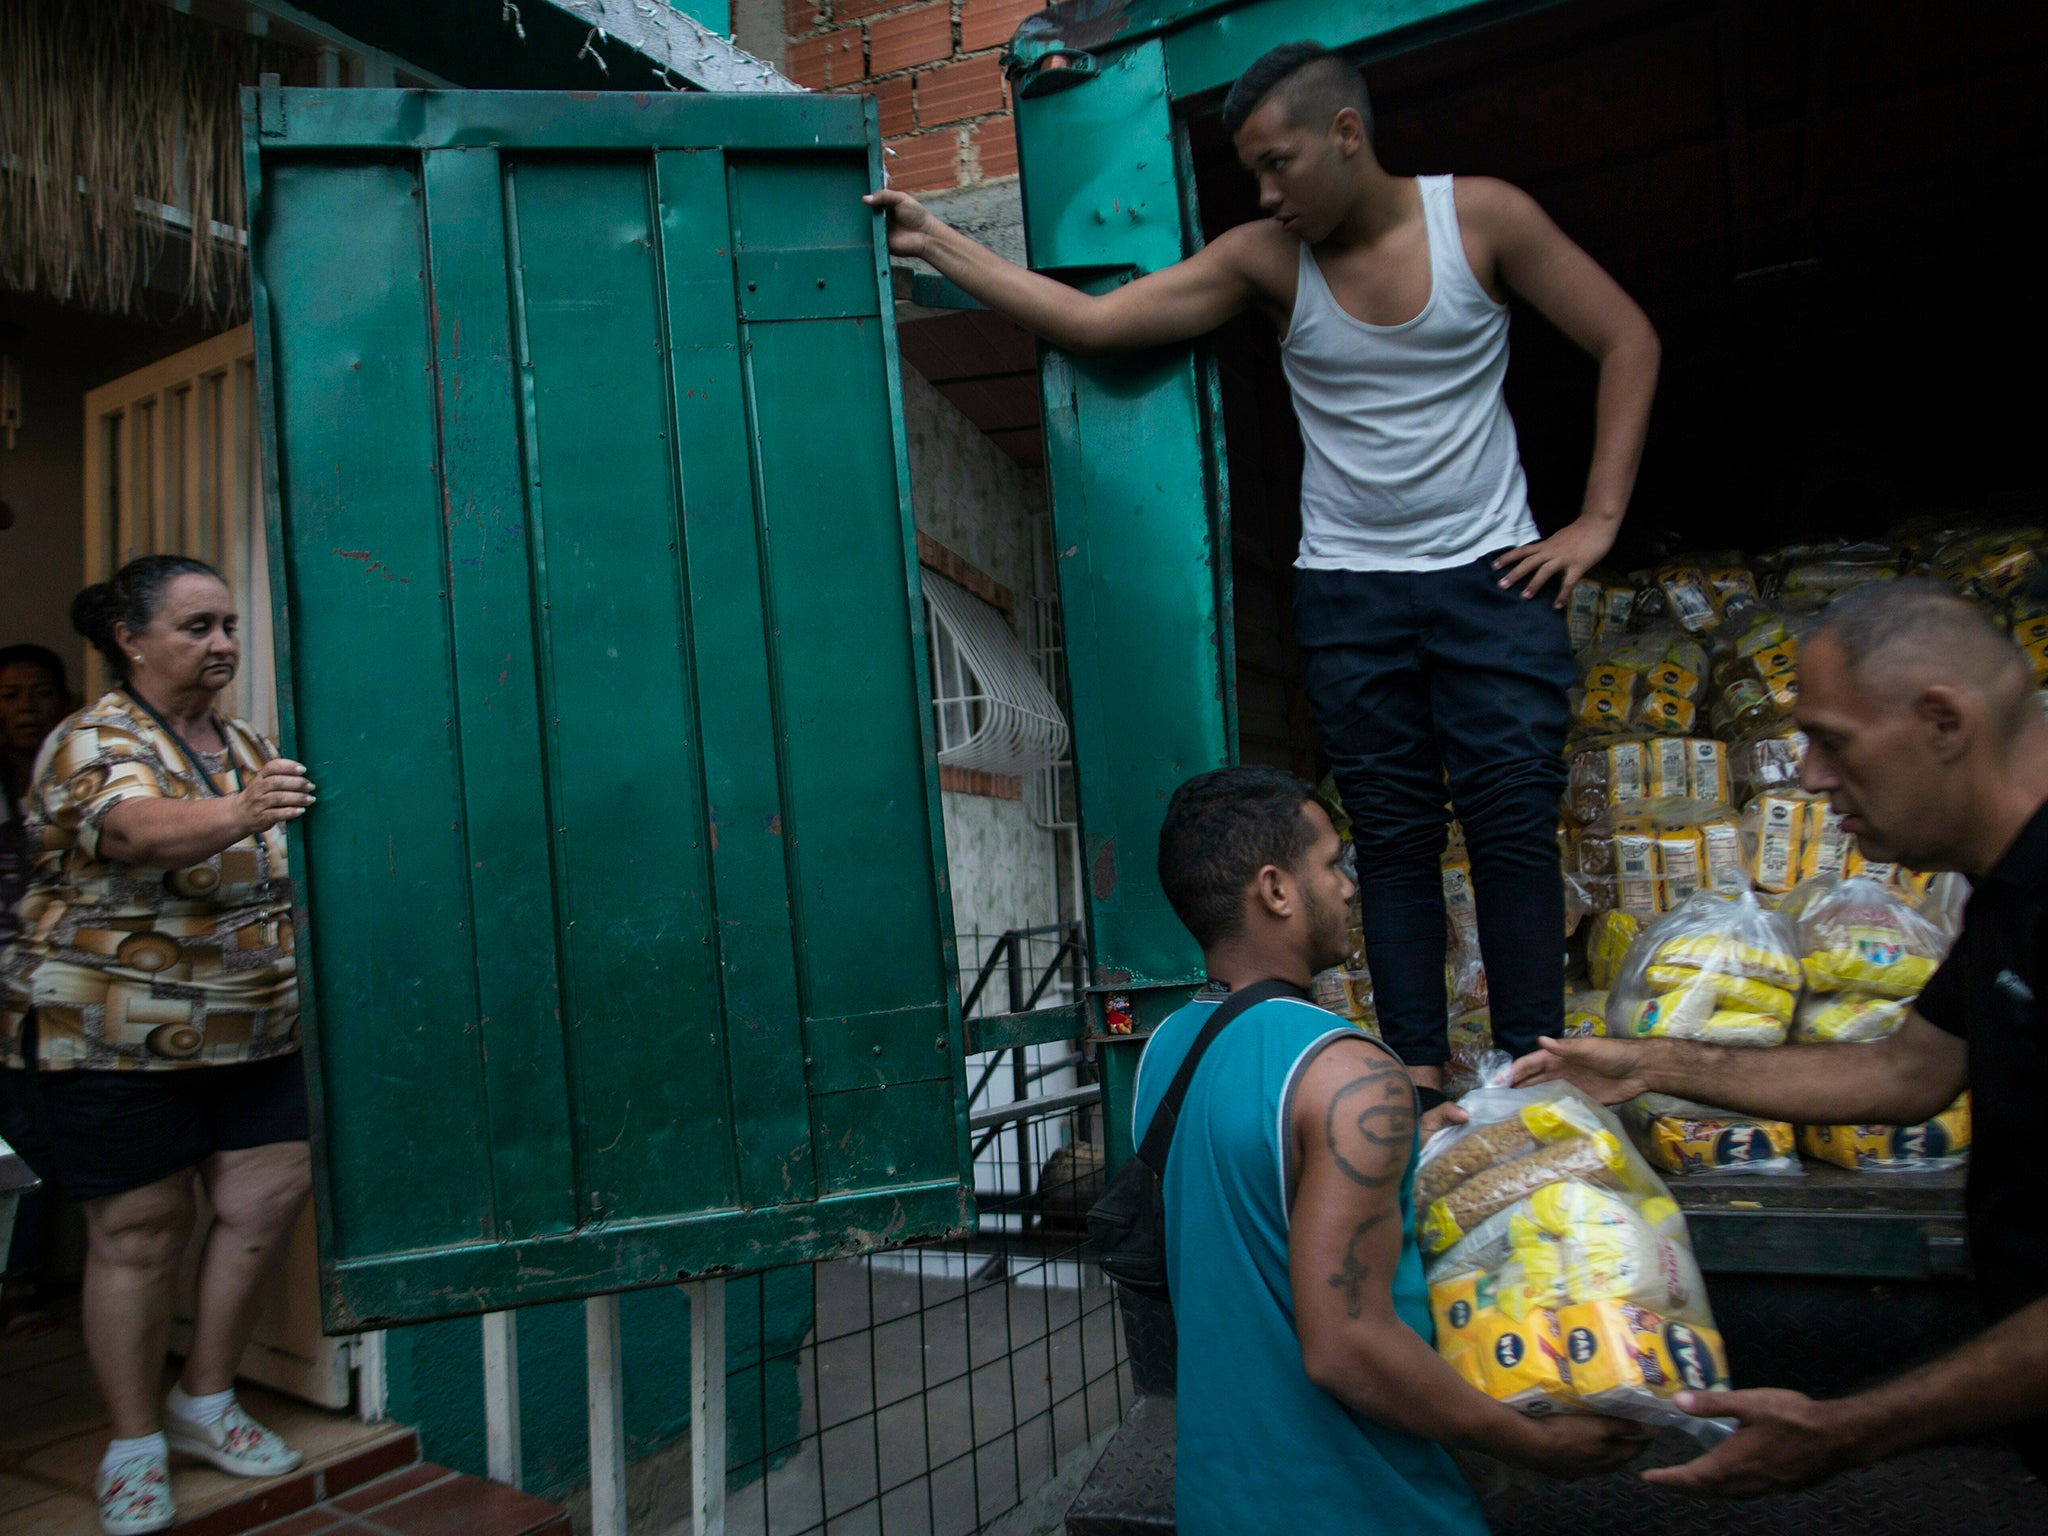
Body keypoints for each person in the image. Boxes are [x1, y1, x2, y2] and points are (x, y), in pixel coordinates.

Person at [868, 42, 1660, 1111]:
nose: (1266, 193)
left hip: (1492, 578)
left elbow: (1625, 337)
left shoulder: (1480, 219)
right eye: (1253, 172)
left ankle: (1532, 1072)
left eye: (1279, 163)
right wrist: (941, 243)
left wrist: (1596, 522)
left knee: (1510, 819)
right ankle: (1420, 1074)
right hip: (1349, 591)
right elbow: (1097, 325)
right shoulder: (1264, 261)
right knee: (1389, 834)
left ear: (1345, 135)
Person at [1520, 579, 2048, 1497]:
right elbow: (1902, 1072)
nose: (1807, 775)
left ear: (1942, 721)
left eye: (1831, 741)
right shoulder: (2002, 895)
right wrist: (1648, 1064)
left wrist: (1849, 1431)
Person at [1138, 764, 1648, 1533]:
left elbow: (1256, 1220)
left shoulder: (1166, 1052)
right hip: (1364, 1507)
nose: (1348, 887)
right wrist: (1532, 1444)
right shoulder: (1350, 1070)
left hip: (1221, 1503)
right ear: (1275, 890)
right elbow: (1346, 1347)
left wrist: (1409, 1150)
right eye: (1333, 864)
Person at [0, 556, 317, 1536]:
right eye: (196, 627)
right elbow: (132, 833)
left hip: (256, 1028)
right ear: (130, 639)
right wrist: (243, 813)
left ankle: (205, 1401)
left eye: (227, 626)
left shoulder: (244, 741)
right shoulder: (89, 738)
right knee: (138, 1237)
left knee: (263, 1201)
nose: (220, 643)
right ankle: (134, 1441)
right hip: (114, 1040)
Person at [0, 642, 76, 1333]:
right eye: (11, 696)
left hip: (50, 993)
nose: (28, 708)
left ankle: (21, 1283)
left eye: (40, 693)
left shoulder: (76, 773)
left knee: (37, 1139)